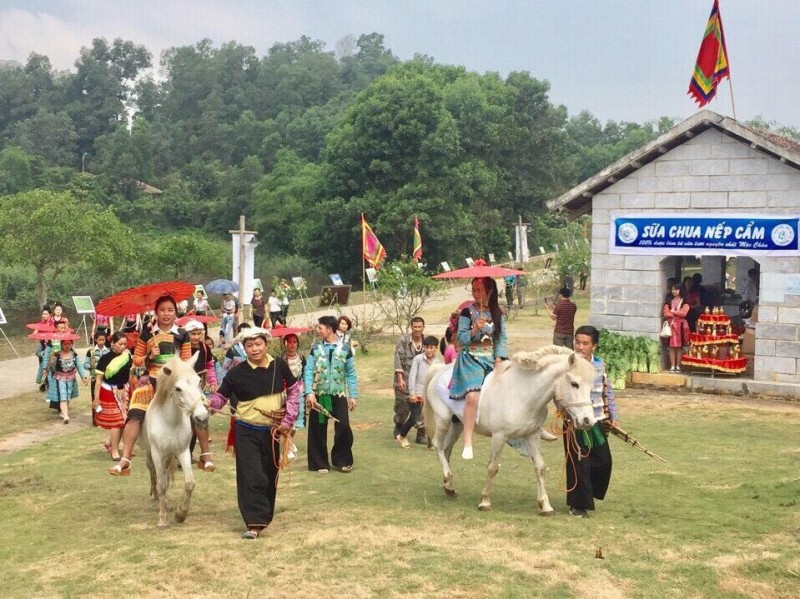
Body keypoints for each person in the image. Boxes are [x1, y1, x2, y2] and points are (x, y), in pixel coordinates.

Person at [208, 327, 300, 539]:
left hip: (272, 431)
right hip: (246, 430)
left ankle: (263, 516)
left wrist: (288, 419)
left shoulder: (279, 365)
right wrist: (209, 403)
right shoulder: (236, 373)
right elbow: (221, 397)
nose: (254, 349)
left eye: (258, 344)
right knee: (251, 475)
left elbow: (295, 390)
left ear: (266, 344)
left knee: (269, 474)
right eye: (249, 345)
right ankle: (253, 523)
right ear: (244, 347)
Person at [110, 295, 191, 476]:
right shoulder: (147, 333)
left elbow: (186, 361)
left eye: (170, 310)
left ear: (176, 313)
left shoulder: (183, 334)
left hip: (175, 383)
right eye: (162, 310)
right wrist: (149, 356)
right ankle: (126, 458)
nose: (166, 314)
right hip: (151, 380)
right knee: (134, 413)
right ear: (156, 312)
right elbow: (136, 361)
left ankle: (204, 454)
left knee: (197, 409)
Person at [564, 325, 619, 518]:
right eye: (577, 342)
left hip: (597, 420)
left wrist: (613, 415)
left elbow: (608, 390)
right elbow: (559, 393)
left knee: (604, 461)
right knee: (579, 463)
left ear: (593, 346)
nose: (580, 347)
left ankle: (589, 493)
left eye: (585, 343)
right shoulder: (568, 365)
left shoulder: (599, 365)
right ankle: (577, 505)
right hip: (575, 421)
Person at [450, 277, 507, 460]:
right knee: (473, 397)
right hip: (470, 359)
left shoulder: (498, 313)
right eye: (473, 290)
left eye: (479, 290)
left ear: (489, 291)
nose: (475, 294)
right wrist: (475, 329)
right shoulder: (467, 312)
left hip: (491, 360)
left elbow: (501, 339)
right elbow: (462, 339)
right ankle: (467, 441)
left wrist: (499, 357)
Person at [303, 315, 359, 473]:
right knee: (318, 429)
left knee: (343, 427)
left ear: (329, 329)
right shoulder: (315, 349)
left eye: (320, 327)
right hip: (319, 396)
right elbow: (308, 371)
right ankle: (319, 463)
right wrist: (309, 393)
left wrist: (353, 396)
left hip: (338, 395)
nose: (317, 330)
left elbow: (351, 374)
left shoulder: (345, 349)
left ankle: (342, 460)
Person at [184, 319, 218, 471]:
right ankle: (184, 454)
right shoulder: (181, 348)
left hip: (197, 388)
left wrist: (213, 381)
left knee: (200, 417)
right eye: (193, 334)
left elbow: (209, 366)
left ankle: (204, 454)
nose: (196, 337)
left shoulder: (204, 348)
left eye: (199, 333)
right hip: (183, 389)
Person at [92, 332, 132, 461]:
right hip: (109, 391)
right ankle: (114, 450)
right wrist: (96, 397)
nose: (122, 347)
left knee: (124, 422)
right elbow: (98, 379)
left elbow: (129, 375)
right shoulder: (105, 358)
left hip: (124, 391)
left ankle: (110, 444)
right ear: (112, 344)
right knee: (116, 422)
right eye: (120, 344)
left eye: (125, 344)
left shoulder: (127, 356)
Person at [396, 335, 440, 448]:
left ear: (436, 348)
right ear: (423, 347)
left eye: (432, 347)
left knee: (430, 420)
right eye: (426, 347)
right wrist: (412, 394)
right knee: (414, 418)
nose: (429, 350)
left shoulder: (437, 361)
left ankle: (431, 443)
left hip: (431, 395)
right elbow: (412, 377)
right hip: (417, 394)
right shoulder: (418, 359)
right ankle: (401, 436)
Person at [37, 336, 89, 424]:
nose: (67, 346)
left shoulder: (74, 355)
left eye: (69, 344)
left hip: (71, 379)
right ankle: (65, 416)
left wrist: (84, 377)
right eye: (65, 344)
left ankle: (63, 412)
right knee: (63, 397)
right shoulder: (57, 355)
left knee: (67, 396)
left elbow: (79, 365)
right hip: (59, 379)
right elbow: (50, 364)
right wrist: (46, 367)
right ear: (61, 344)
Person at [393, 316, 426, 444]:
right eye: (415, 327)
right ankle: (399, 425)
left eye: (419, 327)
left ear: (423, 327)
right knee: (402, 408)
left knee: (421, 408)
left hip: (420, 382)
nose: (417, 329)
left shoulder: (426, 342)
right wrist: (400, 379)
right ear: (411, 327)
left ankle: (421, 433)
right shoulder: (403, 341)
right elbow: (398, 360)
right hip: (404, 379)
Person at [281, 332, 306, 462]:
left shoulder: (302, 358)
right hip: (285, 393)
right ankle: (289, 447)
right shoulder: (280, 359)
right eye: (289, 342)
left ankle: (289, 442)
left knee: (296, 421)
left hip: (300, 392)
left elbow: (306, 374)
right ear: (285, 343)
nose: (292, 344)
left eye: (294, 342)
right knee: (286, 420)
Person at [662, 283, 690, 372]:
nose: (674, 291)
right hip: (671, 326)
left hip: (681, 326)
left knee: (679, 347)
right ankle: (672, 365)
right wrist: (677, 312)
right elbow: (666, 313)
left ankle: (678, 365)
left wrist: (673, 312)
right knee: (671, 346)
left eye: (676, 289)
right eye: (673, 289)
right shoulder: (669, 301)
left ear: (680, 290)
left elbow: (684, 313)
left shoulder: (684, 302)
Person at [84, 332, 111, 413]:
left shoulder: (109, 351)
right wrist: (88, 366)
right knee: (95, 397)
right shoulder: (90, 351)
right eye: (99, 340)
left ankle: (105, 416)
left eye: (103, 340)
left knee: (106, 397)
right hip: (94, 378)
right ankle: (95, 419)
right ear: (95, 340)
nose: (101, 342)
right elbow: (86, 364)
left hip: (107, 378)